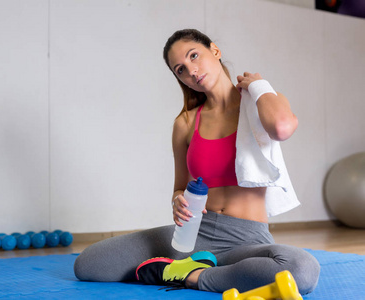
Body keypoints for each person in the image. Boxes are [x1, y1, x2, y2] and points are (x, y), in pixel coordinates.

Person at [73, 29, 320, 295]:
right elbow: (180, 187)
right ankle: (201, 269)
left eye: (194, 56)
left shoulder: (261, 102)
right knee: (89, 264)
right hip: (192, 237)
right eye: (180, 69)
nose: (191, 70)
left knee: (302, 269)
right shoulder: (186, 123)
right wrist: (178, 200)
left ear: (215, 51)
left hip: (247, 240)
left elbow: (282, 128)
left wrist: (258, 85)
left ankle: (188, 275)